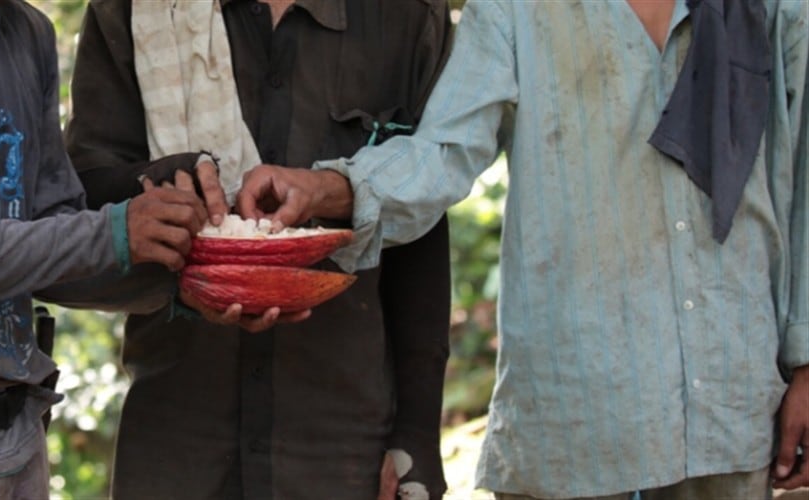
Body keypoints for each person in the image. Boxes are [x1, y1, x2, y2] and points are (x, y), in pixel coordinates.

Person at [237, 0, 809, 498]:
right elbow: (444, 153)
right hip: (577, 422)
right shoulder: (518, 9)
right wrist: (328, 188)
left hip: (732, 412)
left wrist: (807, 362)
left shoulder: (777, 9)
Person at [64, 0, 454, 498]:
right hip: (177, 436)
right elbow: (80, 206)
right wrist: (155, 187)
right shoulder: (137, 10)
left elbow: (422, 218)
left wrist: (417, 436)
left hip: (340, 445)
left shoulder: (405, 17)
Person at [0, 0, 222, 497]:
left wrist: (189, 264)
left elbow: (54, 251)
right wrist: (113, 233)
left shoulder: (28, 33)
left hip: (13, 435)